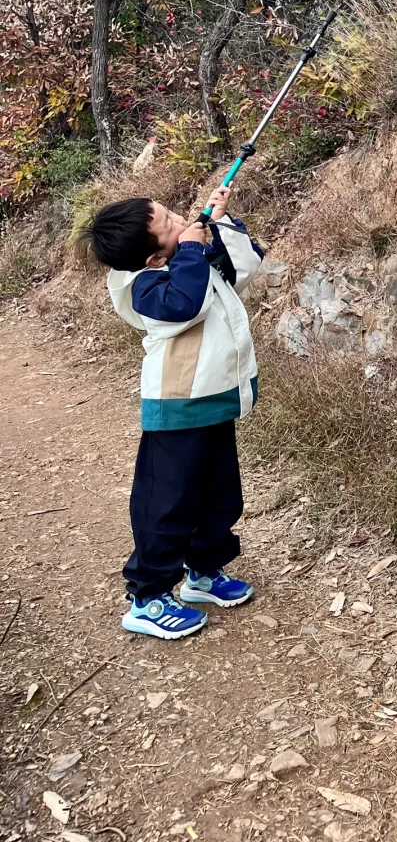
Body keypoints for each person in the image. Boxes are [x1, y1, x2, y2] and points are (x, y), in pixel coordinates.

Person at [82, 185, 263, 640]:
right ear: (153, 260)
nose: (182, 223)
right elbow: (186, 302)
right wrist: (190, 250)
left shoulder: (187, 260)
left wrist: (218, 223)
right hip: (178, 406)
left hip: (216, 398)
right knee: (168, 502)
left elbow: (244, 266)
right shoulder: (144, 287)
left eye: (170, 213)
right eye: (168, 226)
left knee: (220, 492)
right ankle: (147, 596)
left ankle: (203, 571)